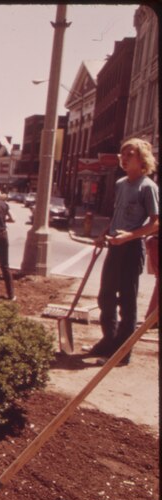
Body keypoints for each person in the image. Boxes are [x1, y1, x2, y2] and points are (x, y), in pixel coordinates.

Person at [85, 138, 159, 365]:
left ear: (142, 159)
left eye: (130, 154)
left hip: (131, 248)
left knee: (127, 301)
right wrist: (103, 234)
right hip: (114, 246)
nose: (124, 158)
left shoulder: (148, 187)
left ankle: (122, 353)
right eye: (122, 154)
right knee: (105, 295)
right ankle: (109, 341)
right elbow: (117, 216)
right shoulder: (120, 183)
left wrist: (130, 236)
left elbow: (156, 223)